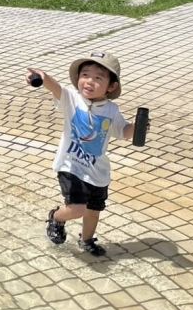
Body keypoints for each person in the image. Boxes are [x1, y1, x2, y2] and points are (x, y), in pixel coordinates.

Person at [26, 52, 145, 257]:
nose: (89, 81)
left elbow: (123, 132)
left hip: (97, 170)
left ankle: (87, 239)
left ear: (111, 86)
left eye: (98, 78)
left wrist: (137, 127)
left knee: (93, 210)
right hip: (70, 165)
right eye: (85, 75)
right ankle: (56, 217)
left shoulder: (111, 110)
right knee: (77, 208)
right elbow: (57, 89)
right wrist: (43, 78)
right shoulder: (72, 99)